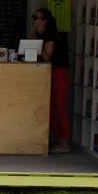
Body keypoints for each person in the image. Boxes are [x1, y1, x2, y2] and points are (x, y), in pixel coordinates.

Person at [32, 8, 71, 153]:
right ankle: (59, 139)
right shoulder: (39, 34)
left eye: (36, 17)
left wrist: (34, 45)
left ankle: (64, 143)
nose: (33, 20)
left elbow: (48, 57)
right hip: (47, 74)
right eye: (33, 17)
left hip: (58, 73)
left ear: (44, 21)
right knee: (47, 110)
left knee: (60, 110)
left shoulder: (50, 35)